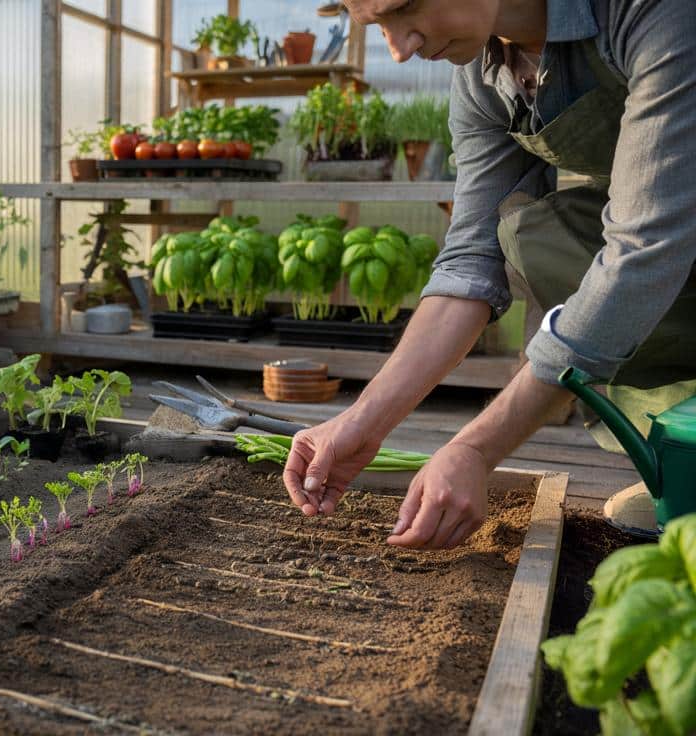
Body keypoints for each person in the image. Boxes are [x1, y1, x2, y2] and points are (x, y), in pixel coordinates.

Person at [284, 0, 696, 549]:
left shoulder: (651, 11)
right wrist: (362, 421)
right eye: (376, 26)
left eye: (404, 8)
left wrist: (477, 448)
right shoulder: (484, 74)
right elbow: (470, 261)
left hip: (671, 241)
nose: (398, 49)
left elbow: (645, 250)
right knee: (537, 235)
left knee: (620, 256)